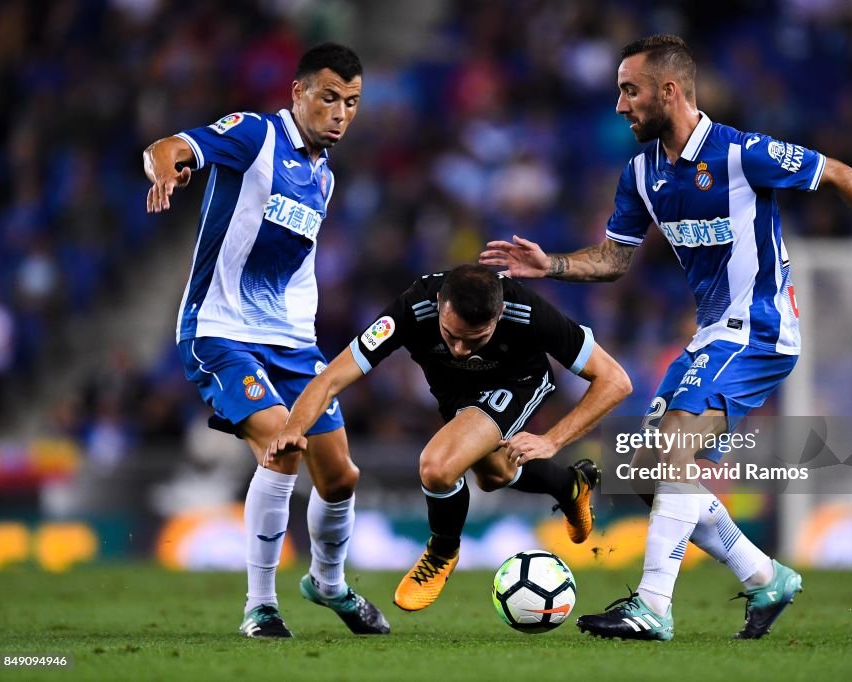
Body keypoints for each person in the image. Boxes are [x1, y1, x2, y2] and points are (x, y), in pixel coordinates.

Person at [480, 34, 852, 641]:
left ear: (668, 91)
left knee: (673, 448)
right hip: (712, 333)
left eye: (630, 90)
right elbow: (616, 260)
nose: (620, 105)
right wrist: (554, 266)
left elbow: (841, 174)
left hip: (759, 325)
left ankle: (653, 605)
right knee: (647, 467)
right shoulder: (642, 172)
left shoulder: (740, 152)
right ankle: (765, 576)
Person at [143, 42, 389, 638]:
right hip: (221, 332)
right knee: (284, 445)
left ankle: (328, 584)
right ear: (297, 93)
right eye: (329, 97)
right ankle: (261, 606)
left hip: (294, 346)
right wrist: (168, 170)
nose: (340, 113)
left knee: (342, 477)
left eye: (352, 103)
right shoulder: (256, 134)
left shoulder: (323, 176)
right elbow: (170, 146)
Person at [265, 265, 632, 611]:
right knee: (494, 475)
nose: (460, 349)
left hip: (514, 385)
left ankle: (441, 552)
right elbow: (331, 378)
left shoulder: (529, 312)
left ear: (500, 313)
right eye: (451, 335)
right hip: (455, 395)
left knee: (437, 466)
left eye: (476, 339)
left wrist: (552, 440)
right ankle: (571, 485)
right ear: (440, 304)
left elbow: (615, 380)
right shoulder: (412, 308)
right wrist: (294, 428)